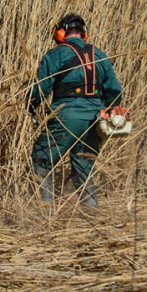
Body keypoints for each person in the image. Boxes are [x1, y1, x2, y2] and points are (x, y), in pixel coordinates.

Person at [28, 13, 123, 207]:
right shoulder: (99, 54)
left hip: (65, 115)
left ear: (61, 33)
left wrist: (31, 106)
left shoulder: (55, 54)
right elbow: (115, 91)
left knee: (42, 160)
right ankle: (92, 214)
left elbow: (40, 89)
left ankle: (43, 215)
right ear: (84, 34)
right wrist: (107, 111)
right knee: (84, 167)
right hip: (96, 118)